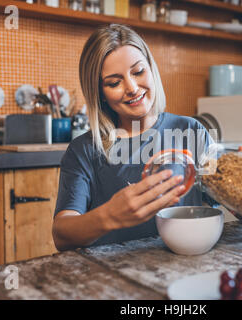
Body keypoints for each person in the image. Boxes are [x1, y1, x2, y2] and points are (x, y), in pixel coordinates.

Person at [52, 24, 214, 251]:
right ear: (100, 93)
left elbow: (225, 200)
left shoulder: (192, 130)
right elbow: (61, 234)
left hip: (187, 267)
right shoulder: (84, 150)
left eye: (138, 72)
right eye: (114, 82)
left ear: (151, 68)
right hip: (114, 277)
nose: (132, 87)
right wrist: (109, 216)